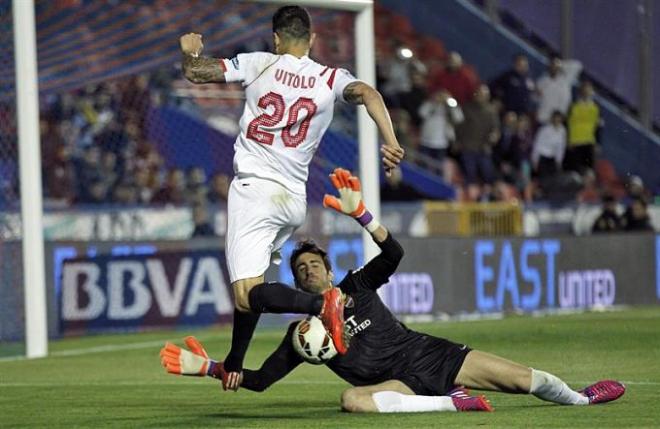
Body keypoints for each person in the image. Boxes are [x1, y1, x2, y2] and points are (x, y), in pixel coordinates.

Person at [161, 168, 626, 413]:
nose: (306, 273)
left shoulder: (357, 285)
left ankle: (583, 398)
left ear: (327, 269)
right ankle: (450, 405)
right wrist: (205, 368)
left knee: (529, 381)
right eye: (299, 271)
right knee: (352, 401)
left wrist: (363, 215)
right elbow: (258, 381)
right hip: (397, 387)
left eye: (312, 265)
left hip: (430, 355)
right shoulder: (302, 336)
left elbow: (395, 255)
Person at [178, 5, 405, 391]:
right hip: (293, 200)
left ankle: (322, 304)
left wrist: (189, 51)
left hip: (254, 189)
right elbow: (368, 93)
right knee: (251, 291)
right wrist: (392, 141)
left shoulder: (259, 63)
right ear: (312, 40)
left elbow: (197, 73)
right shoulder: (331, 78)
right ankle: (236, 360)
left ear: (276, 38)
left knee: (249, 294)